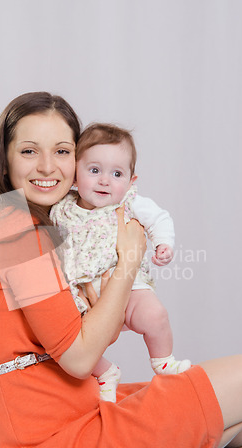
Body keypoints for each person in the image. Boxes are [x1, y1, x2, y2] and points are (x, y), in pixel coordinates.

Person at [0, 92, 242, 448]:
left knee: (226, 418)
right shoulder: (11, 228)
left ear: (77, 160)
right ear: (4, 158)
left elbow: (75, 338)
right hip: (60, 441)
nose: (47, 167)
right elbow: (79, 358)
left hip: (64, 421)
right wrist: (130, 256)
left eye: (62, 151)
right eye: (29, 151)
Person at [50, 123, 191, 402]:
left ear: (130, 181)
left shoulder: (128, 202)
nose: (105, 181)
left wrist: (164, 243)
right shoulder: (61, 208)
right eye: (94, 171)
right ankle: (106, 372)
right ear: (75, 177)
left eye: (117, 174)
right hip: (83, 292)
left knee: (155, 315)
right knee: (65, 339)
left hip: (129, 286)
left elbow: (159, 218)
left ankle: (162, 360)